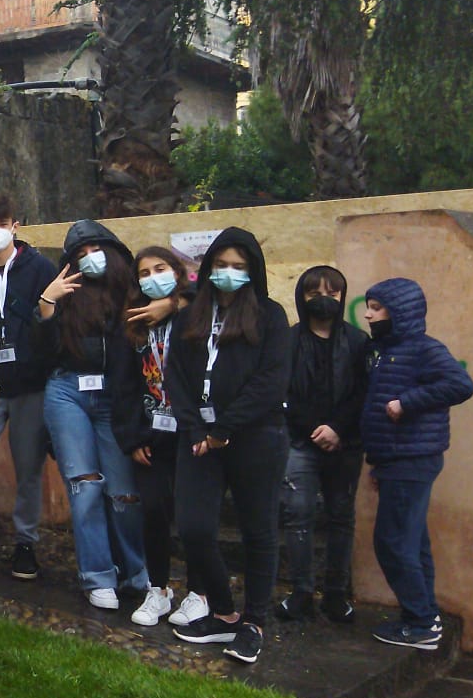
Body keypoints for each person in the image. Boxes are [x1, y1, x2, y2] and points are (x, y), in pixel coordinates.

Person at [166, 227, 291, 665]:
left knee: (259, 530)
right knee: (195, 528)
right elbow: (175, 378)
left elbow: (270, 382)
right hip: (199, 440)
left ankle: (253, 622)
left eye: (239, 267)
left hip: (256, 438)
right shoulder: (190, 316)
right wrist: (197, 431)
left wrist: (226, 428)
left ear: (252, 271)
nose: (229, 274)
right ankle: (223, 612)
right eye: (221, 265)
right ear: (208, 267)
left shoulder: (271, 316)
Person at [35, 220, 150, 611]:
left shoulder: (134, 293)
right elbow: (38, 351)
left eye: (95, 250)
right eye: (80, 255)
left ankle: (136, 572)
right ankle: (98, 576)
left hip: (115, 397)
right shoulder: (63, 295)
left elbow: (186, 300)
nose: (89, 259)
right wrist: (47, 305)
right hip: (68, 392)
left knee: (124, 492)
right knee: (85, 487)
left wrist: (169, 302)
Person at [360, 277, 473, 650]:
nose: (368, 314)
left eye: (377, 309)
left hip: (412, 460)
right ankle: (425, 614)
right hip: (398, 461)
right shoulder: (389, 350)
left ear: (400, 312)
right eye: (369, 307)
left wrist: (407, 402)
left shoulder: (423, 349)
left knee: (393, 542)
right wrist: (378, 464)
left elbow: (460, 384)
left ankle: (421, 623)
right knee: (412, 542)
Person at [109, 246, 208, 626]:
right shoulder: (132, 323)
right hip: (151, 433)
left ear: (178, 272)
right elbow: (123, 385)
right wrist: (131, 438)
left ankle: (199, 593)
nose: (153, 278)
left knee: (192, 517)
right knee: (153, 512)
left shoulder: (194, 312)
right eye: (144, 273)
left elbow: (209, 293)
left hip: (191, 432)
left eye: (161, 269)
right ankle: (159, 589)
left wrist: (175, 303)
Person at [0, 193, 56, 579]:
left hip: (30, 382)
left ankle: (25, 542)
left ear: (16, 226)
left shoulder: (40, 268)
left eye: (4, 223)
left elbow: (54, 322)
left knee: (28, 465)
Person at [278, 265, 370, 623]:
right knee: (297, 517)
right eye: (315, 293)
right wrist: (314, 427)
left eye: (332, 293)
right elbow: (280, 392)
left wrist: (337, 428)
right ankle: (300, 592)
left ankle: (335, 594)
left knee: (341, 518)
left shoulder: (358, 341)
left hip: (345, 446)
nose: (324, 300)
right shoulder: (287, 341)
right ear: (302, 297)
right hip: (300, 443)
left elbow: (363, 392)